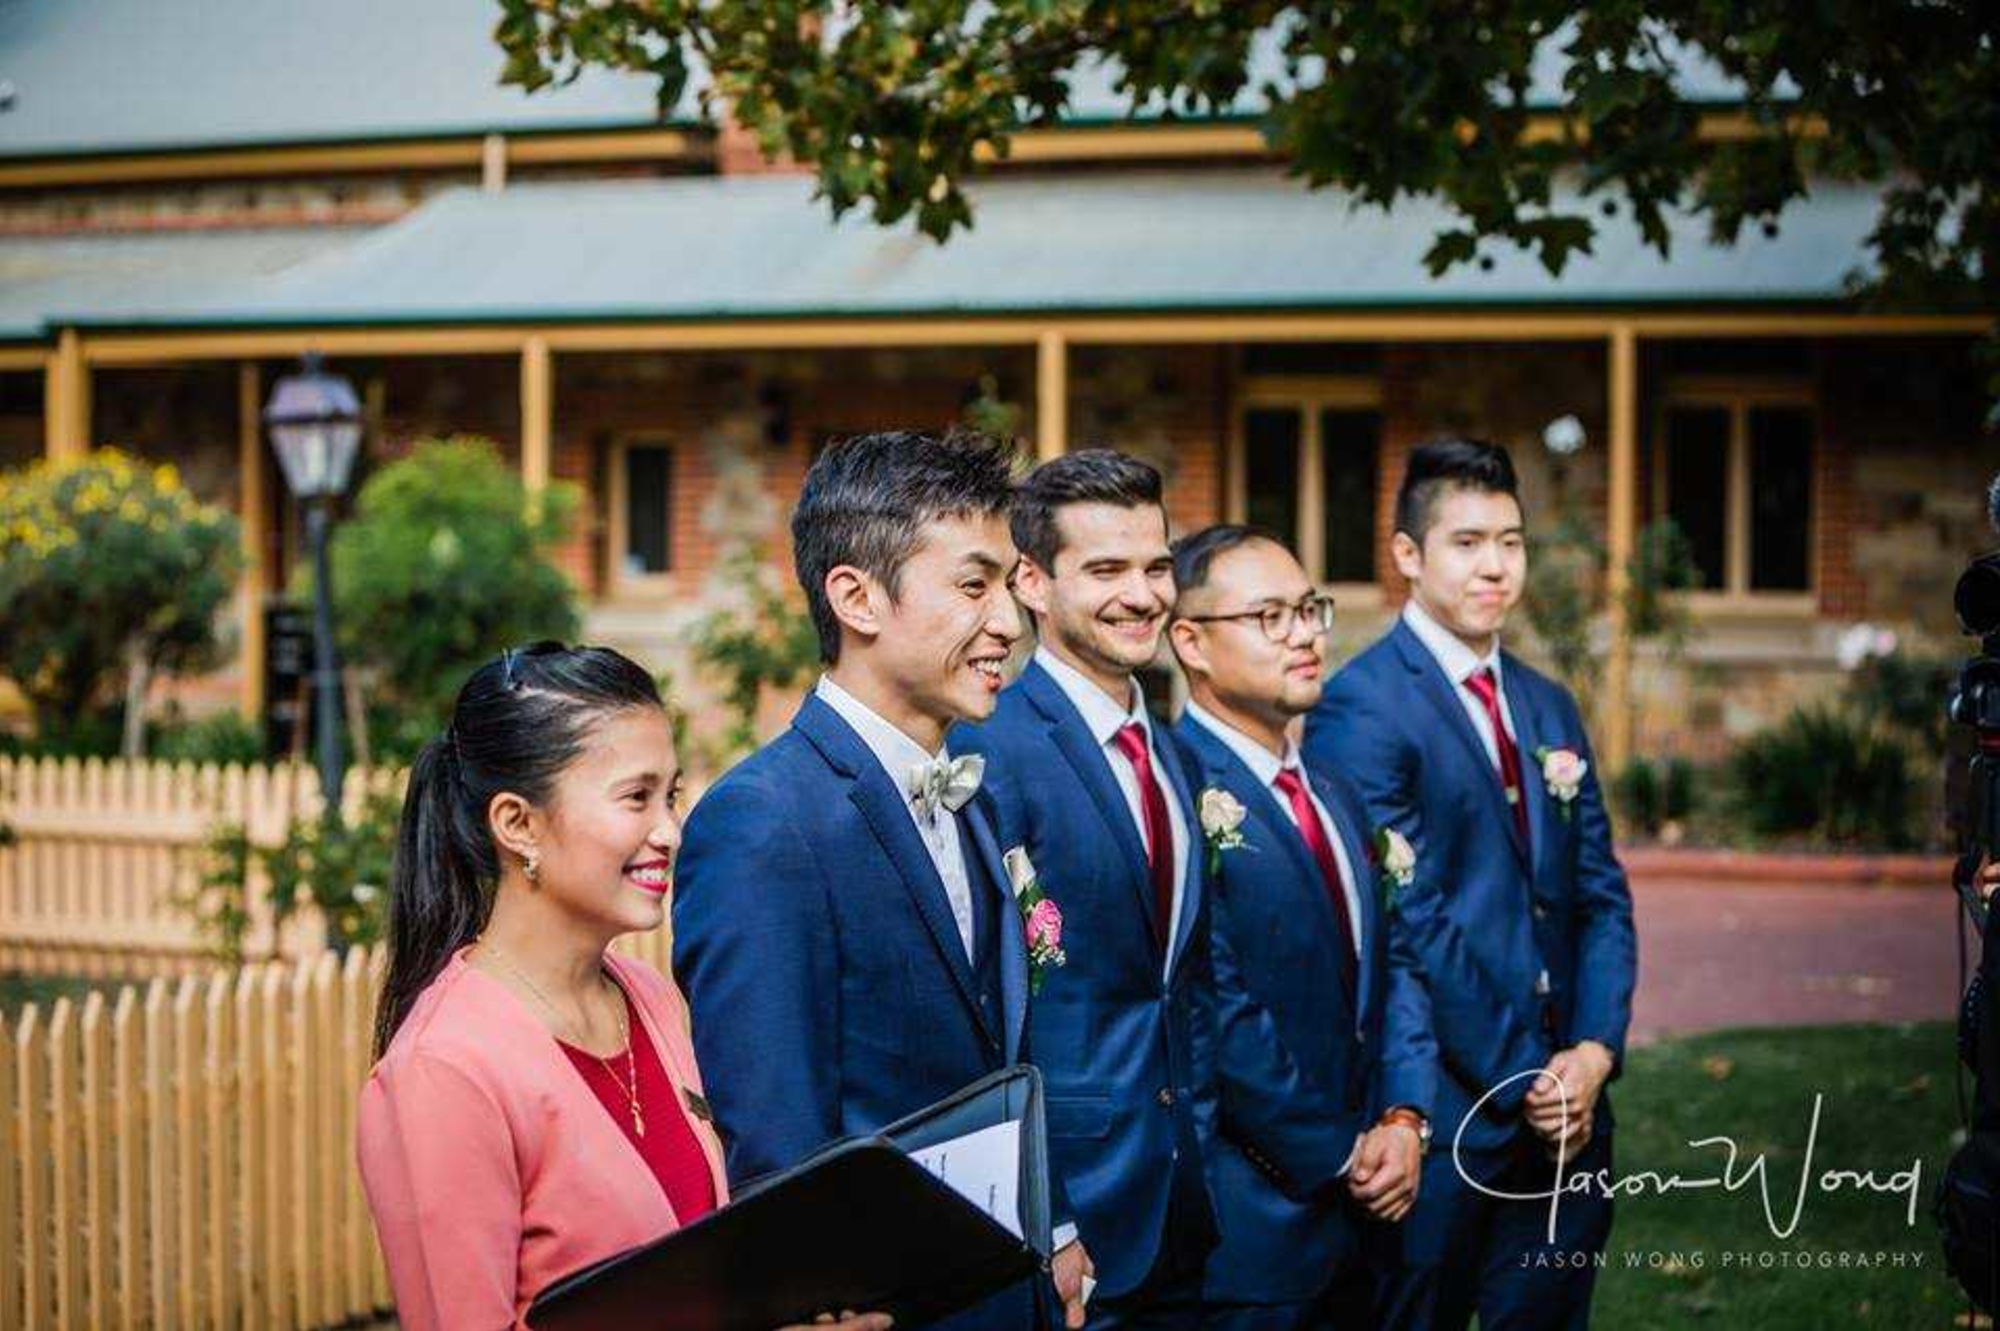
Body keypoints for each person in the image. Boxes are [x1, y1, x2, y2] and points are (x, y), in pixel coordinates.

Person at [673, 431, 1093, 1331]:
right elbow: (775, 1135)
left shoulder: (975, 797)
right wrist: (813, 1299)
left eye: (1011, 585)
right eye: (974, 585)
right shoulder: (762, 823)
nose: (1011, 624)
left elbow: (1004, 1059)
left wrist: (1051, 1222)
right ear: (856, 596)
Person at [357, 641, 890, 1331]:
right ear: (518, 823)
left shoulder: (648, 997)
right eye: (635, 797)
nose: (669, 830)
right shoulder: (445, 1071)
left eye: (669, 795)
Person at [955, 452, 1355, 1330]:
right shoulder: (993, 754)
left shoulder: (1174, 756)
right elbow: (988, 1022)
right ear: (1032, 581)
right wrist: (1045, 1216)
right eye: (1105, 570)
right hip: (1072, 1224)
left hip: (1188, 1209)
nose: (1141, 594)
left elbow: (1188, 983)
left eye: (1155, 565)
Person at [1305, 439, 1639, 1330]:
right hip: (1452, 1114)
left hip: (1573, 1111)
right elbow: (1407, 917)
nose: (1495, 564)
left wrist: (1594, 1052)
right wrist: (1528, 1075)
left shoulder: (1548, 703)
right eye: (1467, 541)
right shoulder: (1361, 707)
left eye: (1512, 540)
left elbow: (1600, 889)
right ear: (1408, 556)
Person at [1164, 525, 1426, 1330]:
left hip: (1378, 1217)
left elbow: (1396, 965)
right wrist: (1341, 1154)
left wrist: (1405, 1118)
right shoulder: (1176, 794)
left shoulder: (1337, 793)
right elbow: (1217, 1004)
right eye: (1269, 615)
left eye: (1309, 608)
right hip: (1258, 1231)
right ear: (1191, 642)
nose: (1307, 633)